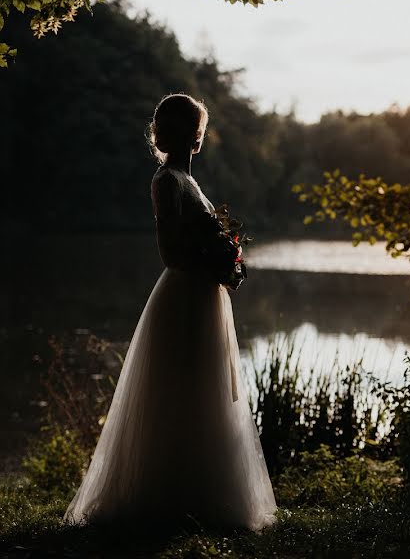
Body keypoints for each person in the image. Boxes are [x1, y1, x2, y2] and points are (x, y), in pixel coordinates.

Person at [64, 93, 276, 530]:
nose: (192, 137)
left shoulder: (187, 179)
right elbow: (170, 255)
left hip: (203, 295)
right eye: (188, 129)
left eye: (194, 129)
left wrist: (225, 261)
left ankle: (198, 497)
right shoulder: (168, 181)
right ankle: (161, 498)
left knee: (203, 390)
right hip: (183, 297)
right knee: (176, 390)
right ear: (178, 134)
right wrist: (215, 261)